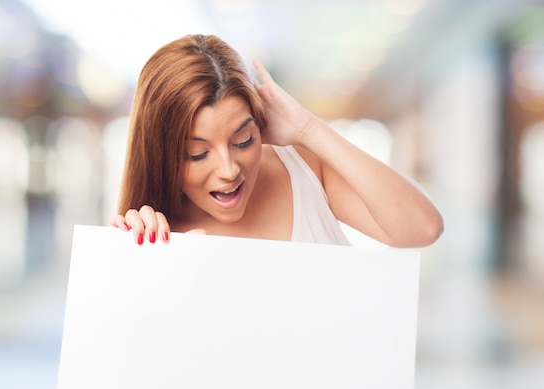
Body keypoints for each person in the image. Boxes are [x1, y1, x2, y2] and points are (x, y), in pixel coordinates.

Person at [109, 34, 443, 247]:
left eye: (243, 141)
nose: (228, 170)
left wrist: (309, 129)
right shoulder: (156, 233)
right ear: (158, 154)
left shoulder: (303, 170)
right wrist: (140, 259)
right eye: (197, 154)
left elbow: (422, 228)